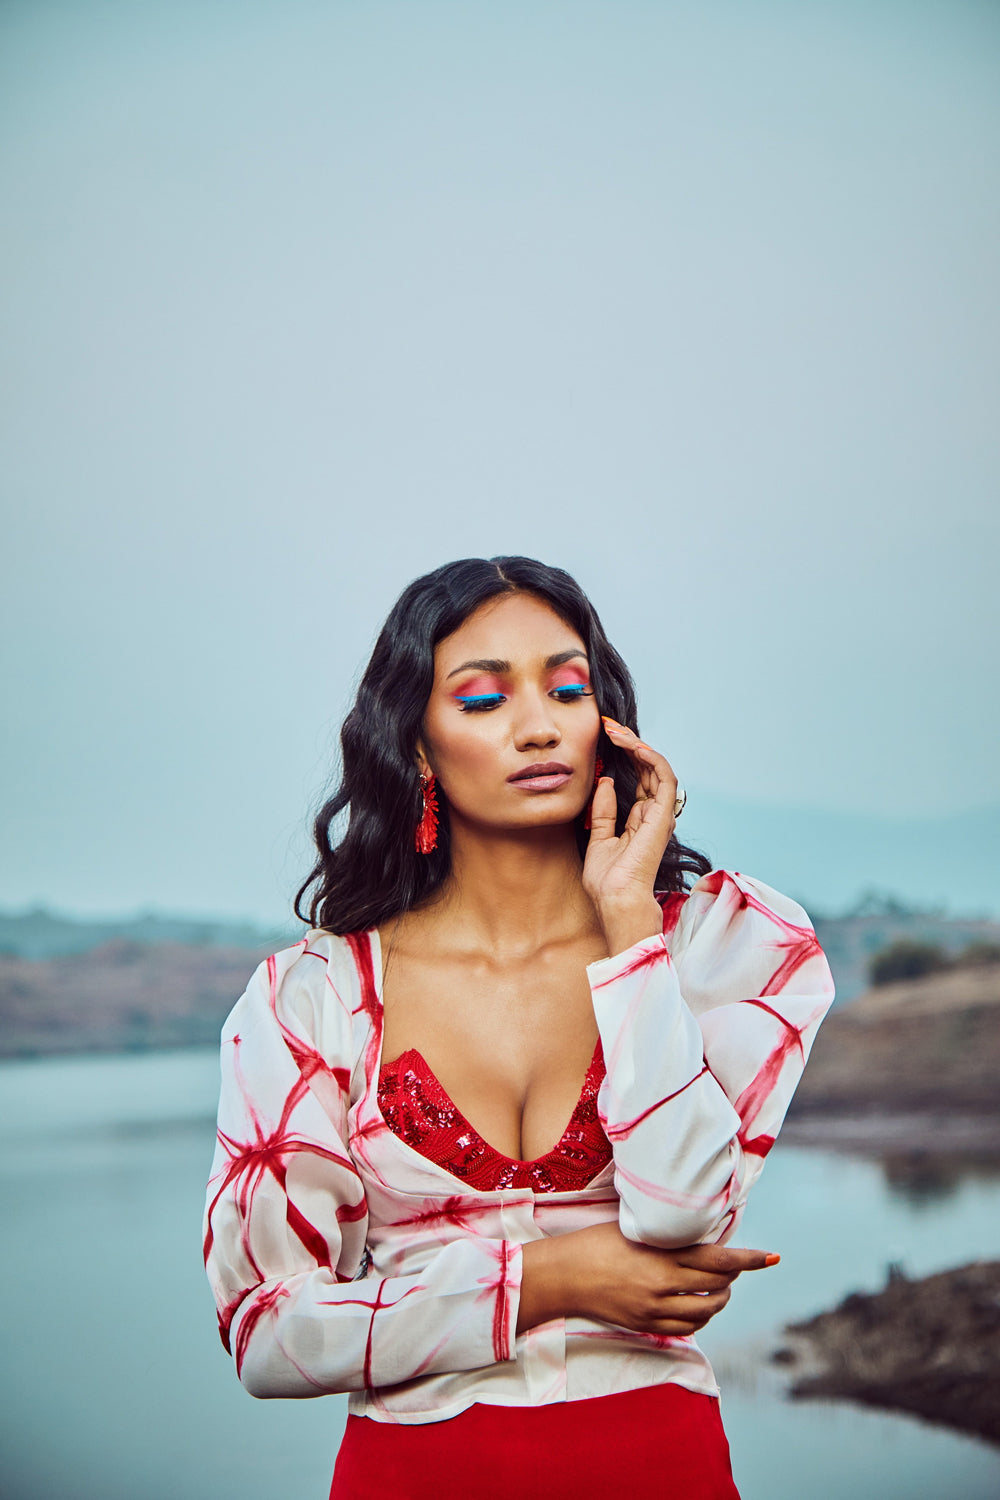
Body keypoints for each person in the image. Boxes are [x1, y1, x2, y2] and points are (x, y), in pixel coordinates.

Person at [203, 555, 834, 1500]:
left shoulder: (723, 946)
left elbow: (682, 1213)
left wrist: (631, 932)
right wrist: (548, 1280)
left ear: (606, 720)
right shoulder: (315, 998)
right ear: (417, 746)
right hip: (409, 1477)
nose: (539, 726)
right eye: (482, 700)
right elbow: (267, 1333)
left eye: (568, 689)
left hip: (661, 1465)